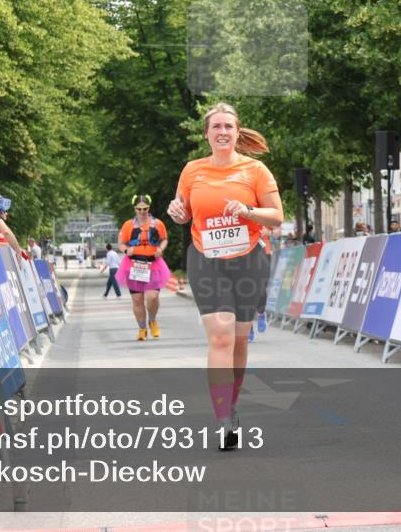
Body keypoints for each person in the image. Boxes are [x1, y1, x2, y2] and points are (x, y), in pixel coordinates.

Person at [167, 103, 283, 450]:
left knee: (239, 340)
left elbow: (276, 217)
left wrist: (247, 211)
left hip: (247, 260)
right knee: (220, 336)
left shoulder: (255, 170)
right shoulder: (192, 170)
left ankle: (232, 405)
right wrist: (176, 213)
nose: (222, 132)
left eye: (228, 127)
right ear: (206, 134)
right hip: (207, 260)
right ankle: (221, 418)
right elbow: (182, 213)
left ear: (237, 132)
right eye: (216, 126)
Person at [116, 195, 171, 340]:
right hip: (134, 265)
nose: (142, 211)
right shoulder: (128, 225)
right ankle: (142, 328)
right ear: (134, 209)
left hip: (153, 264)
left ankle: (152, 320)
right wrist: (127, 250)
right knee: (137, 300)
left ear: (149, 208)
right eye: (139, 209)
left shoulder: (158, 224)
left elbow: (164, 239)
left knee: (153, 297)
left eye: (145, 208)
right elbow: (121, 243)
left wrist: (161, 248)